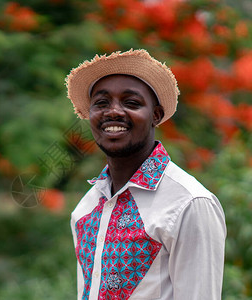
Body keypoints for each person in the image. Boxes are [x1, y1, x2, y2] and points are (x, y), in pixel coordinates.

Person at [65, 49, 226, 300]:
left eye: (131, 103)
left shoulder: (189, 204)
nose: (113, 112)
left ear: (156, 116)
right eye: (101, 103)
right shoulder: (86, 210)